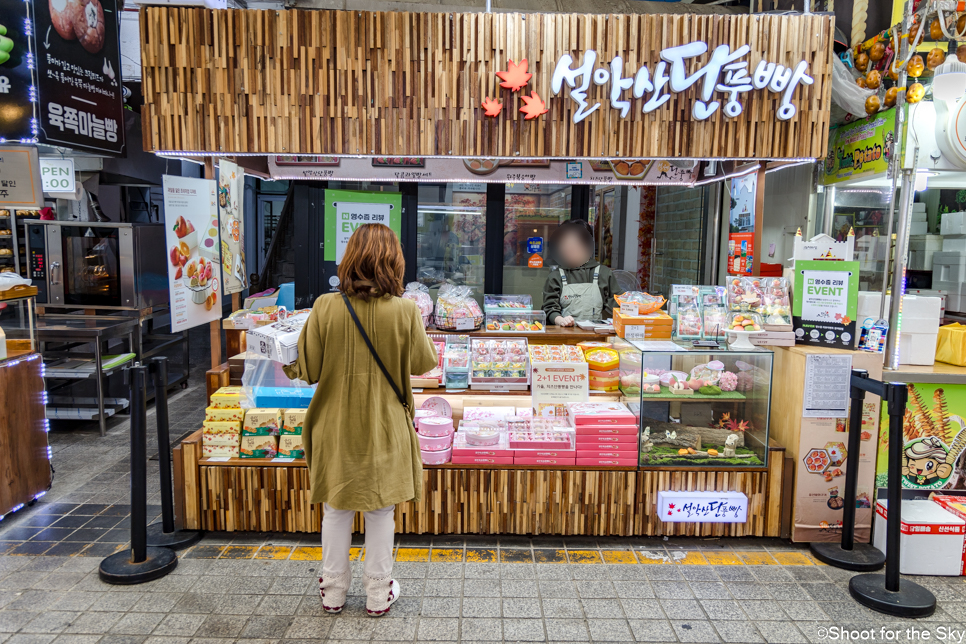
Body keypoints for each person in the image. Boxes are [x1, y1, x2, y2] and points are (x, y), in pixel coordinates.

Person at [283, 223, 438, 617]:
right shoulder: (405, 310)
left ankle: (332, 592)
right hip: (385, 426)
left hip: (334, 425)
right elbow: (424, 363)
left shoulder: (325, 306)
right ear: (394, 262)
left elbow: (308, 368)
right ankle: (377, 594)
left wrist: (282, 352)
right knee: (380, 510)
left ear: (350, 257)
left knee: (336, 509)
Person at [542, 219, 621, 326]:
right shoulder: (556, 276)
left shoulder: (604, 273)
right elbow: (549, 308)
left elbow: (618, 305)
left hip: (598, 338)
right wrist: (560, 320)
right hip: (565, 336)